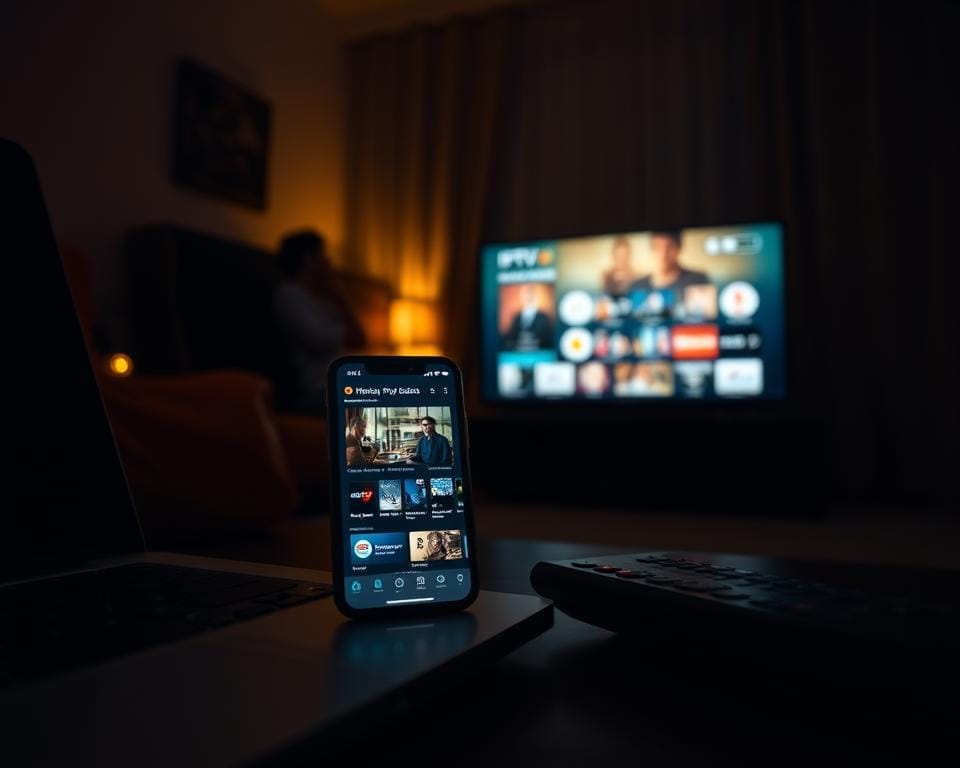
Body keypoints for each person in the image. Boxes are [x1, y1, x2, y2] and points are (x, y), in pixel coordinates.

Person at [274, 230, 365, 414]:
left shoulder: (325, 301)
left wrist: (340, 296)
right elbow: (319, 341)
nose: (328, 261)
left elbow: (359, 340)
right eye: (323, 254)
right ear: (308, 258)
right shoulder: (289, 295)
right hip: (316, 389)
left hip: (340, 384)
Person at [630, 230, 709, 292]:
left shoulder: (698, 280)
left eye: (670, 247)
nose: (663, 254)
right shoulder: (637, 286)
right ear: (651, 249)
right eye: (658, 247)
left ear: (679, 248)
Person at [503, 283, 553, 350]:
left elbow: (548, 340)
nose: (527, 296)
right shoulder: (516, 317)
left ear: (534, 295)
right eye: (525, 293)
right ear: (521, 296)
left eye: (530, 293)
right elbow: (510, 338)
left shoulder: (544, 317)